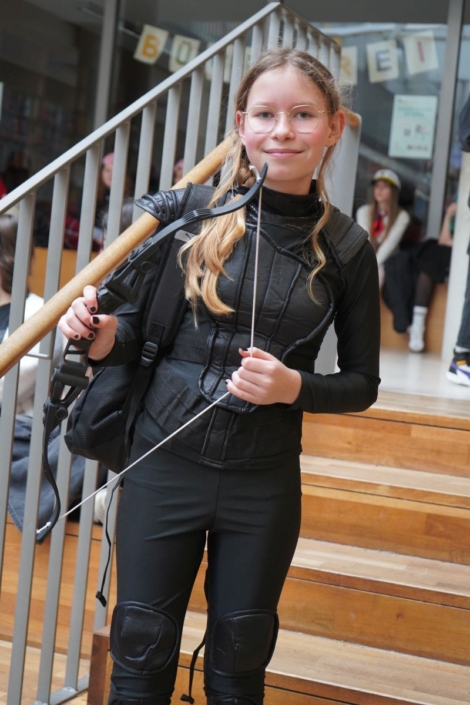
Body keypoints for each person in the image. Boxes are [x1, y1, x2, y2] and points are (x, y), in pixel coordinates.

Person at [58, 48, 380, 705]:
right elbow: (128, 336)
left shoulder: (348, 247)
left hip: (263, 483)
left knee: (238, 668)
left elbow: (363, 382)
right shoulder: (188, 216)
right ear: (241, 124)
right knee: (139, 661)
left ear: (332, 128)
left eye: (302, 115)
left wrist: (295, 388)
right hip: (162, 464)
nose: (282, 130)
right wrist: (96, 333)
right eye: (265, 114)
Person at [382, 200, 456, 352]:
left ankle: (416, 324)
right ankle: (415, 323)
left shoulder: (401, 216)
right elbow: (444, 240)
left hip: (459, 254)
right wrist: (449, 215)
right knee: (427, 250)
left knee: (431, 256)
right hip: (445, 250)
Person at [356, 169, 410, 288]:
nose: (379, 190)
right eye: (377, 186)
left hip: (388, 261)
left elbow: (389, 245)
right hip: (367, 257)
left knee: (379, 273)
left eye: (385, 187)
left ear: (393, 192)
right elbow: (366, 240)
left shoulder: (402, 216)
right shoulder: (363, 211)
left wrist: (372, 265)